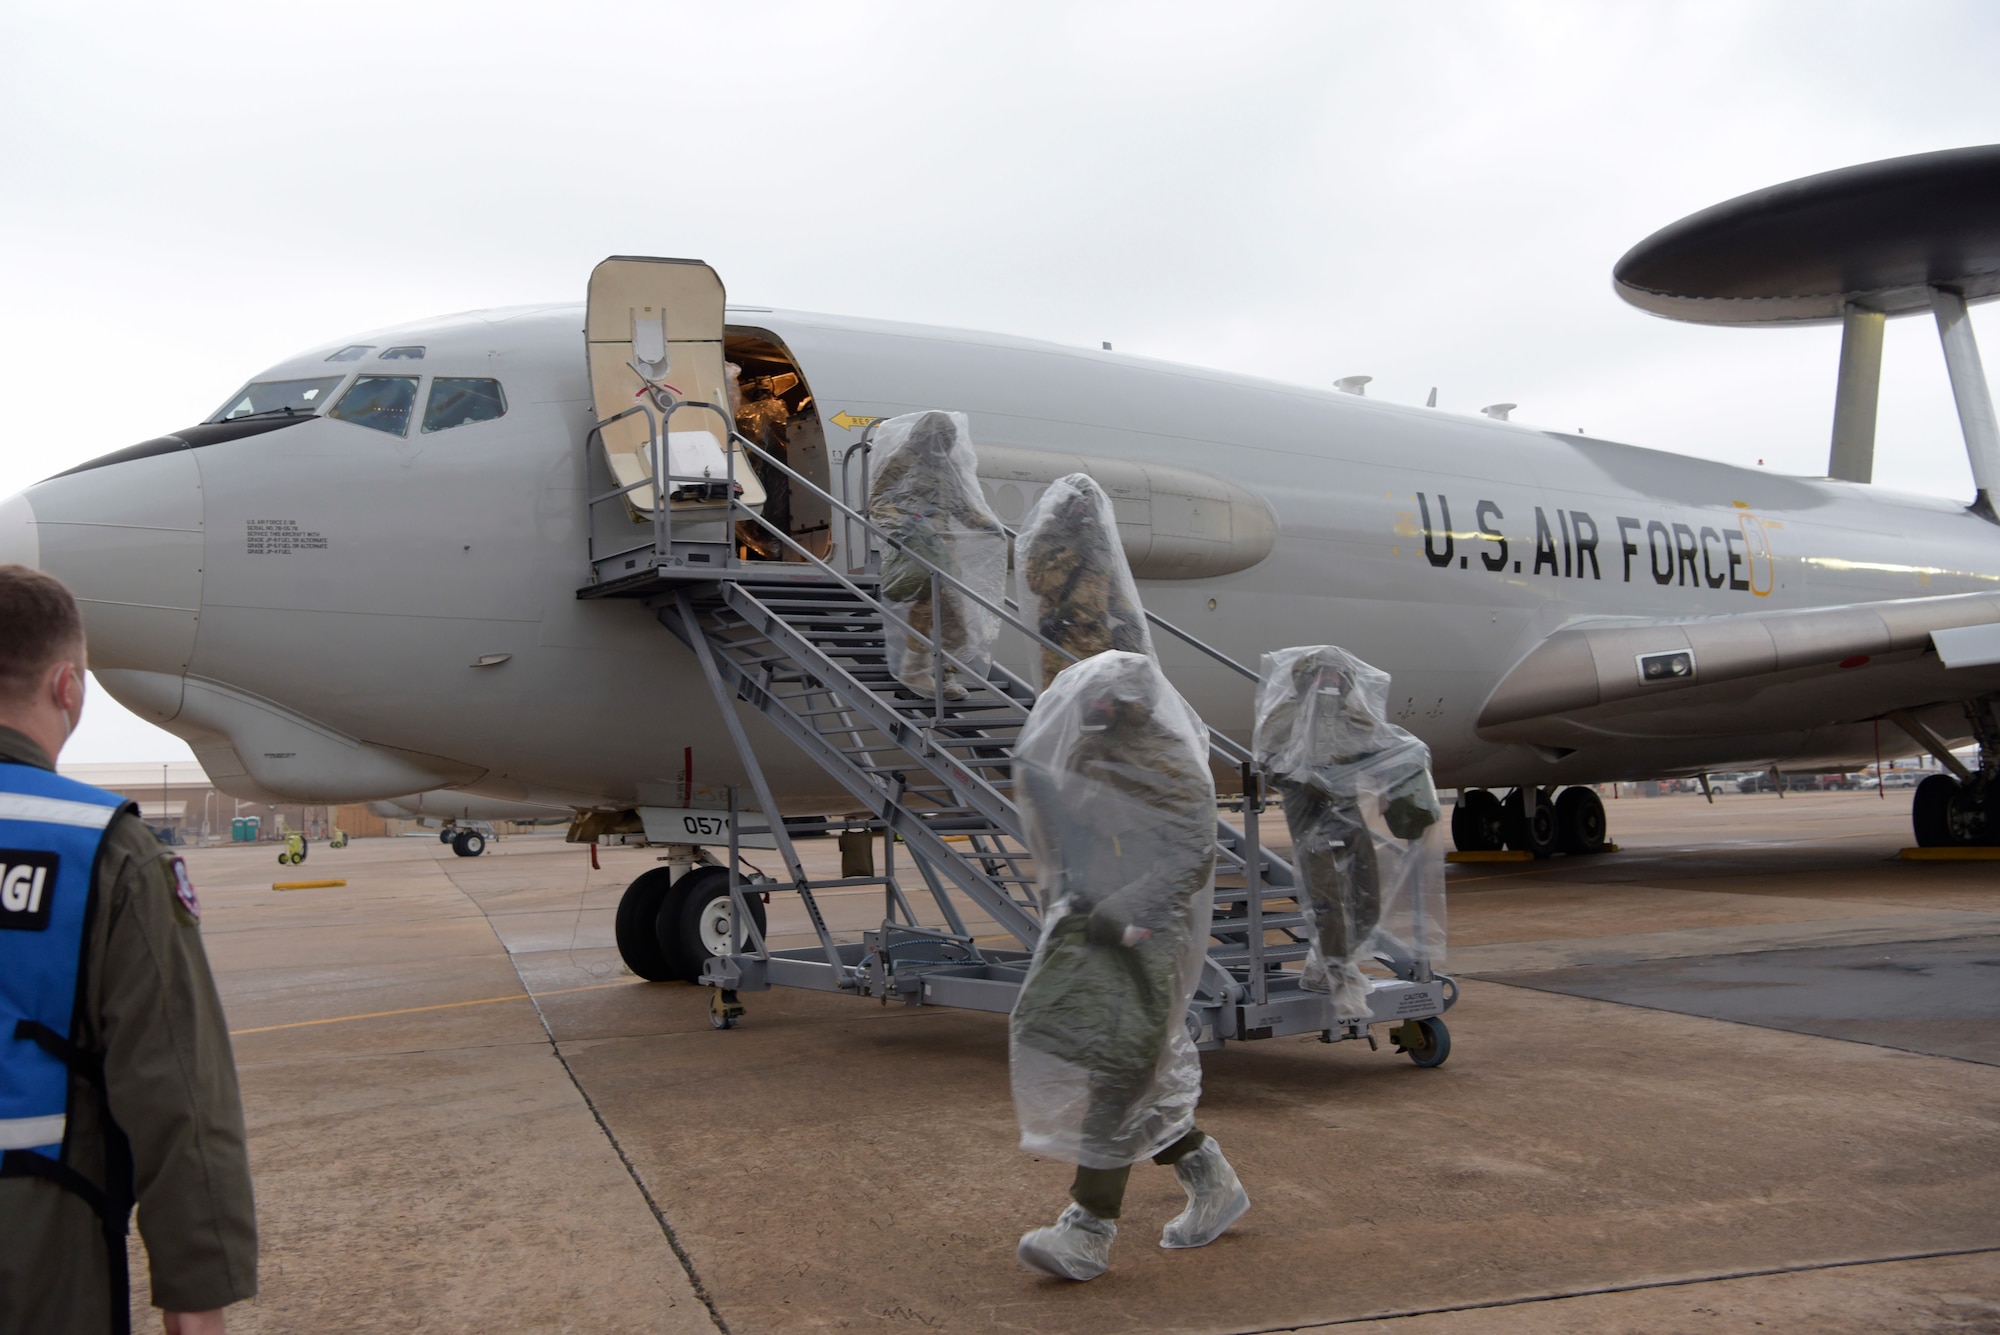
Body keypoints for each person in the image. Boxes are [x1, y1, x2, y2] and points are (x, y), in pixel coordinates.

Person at [0, 565, 256, 1335]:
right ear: (68, 687)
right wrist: (196, 1292)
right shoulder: (103, 849)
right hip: (37, 1244)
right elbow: (179, 1090)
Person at [1009, 650, 1248, 1281]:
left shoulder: (1172, 764)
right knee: (1117, 1061)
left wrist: (1126, 909)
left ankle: (1088, 1229)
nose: (1094, 708)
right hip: (1094, 924)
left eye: (1106, 697)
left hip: (1148, 932)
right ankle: (1210, 1178)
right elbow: (1076, 835)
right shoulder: (1090, 755)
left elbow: (1189, 858)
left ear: (1134, 699)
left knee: (1121, 1071)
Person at [1252, 645, 1444, 1019]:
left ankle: (1323, 964)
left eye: (1336, 675)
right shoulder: (1286, 715)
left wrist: (1410, 755)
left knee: (1367, 899)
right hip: (1309, 821)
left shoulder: (1351, 717)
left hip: (1347, 816)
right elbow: (1266, 761)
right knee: (1328, 904)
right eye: (1322, 674)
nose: (1329, 681)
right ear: (1308, 679)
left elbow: (1381, 746)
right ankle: (1338, 975)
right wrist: (1304, 778)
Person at [865, 410, 1006, 700]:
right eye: (939, 438)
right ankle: (915, 669)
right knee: (927, 609)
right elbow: (879, 502)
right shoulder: (902, 462)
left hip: (943, 551)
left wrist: (989, 526)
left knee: (955, 614)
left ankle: (944, 673)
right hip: (916, 548)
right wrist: (907, 525)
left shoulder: (947, 469)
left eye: (947, 439)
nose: (943, 444)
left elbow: (962, 509)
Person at [1015, 475, 1153, 689]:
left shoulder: (1098, 540)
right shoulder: (1048, 537)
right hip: (1063, 636)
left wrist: (1130, 618)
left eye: (1088, 502)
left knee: (1100, 702)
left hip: (1098, 638)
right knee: (1062, 701)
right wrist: (1073, 553)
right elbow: (1036, 582)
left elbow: (1112, 586)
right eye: (1079, 502)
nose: (1084, 508)